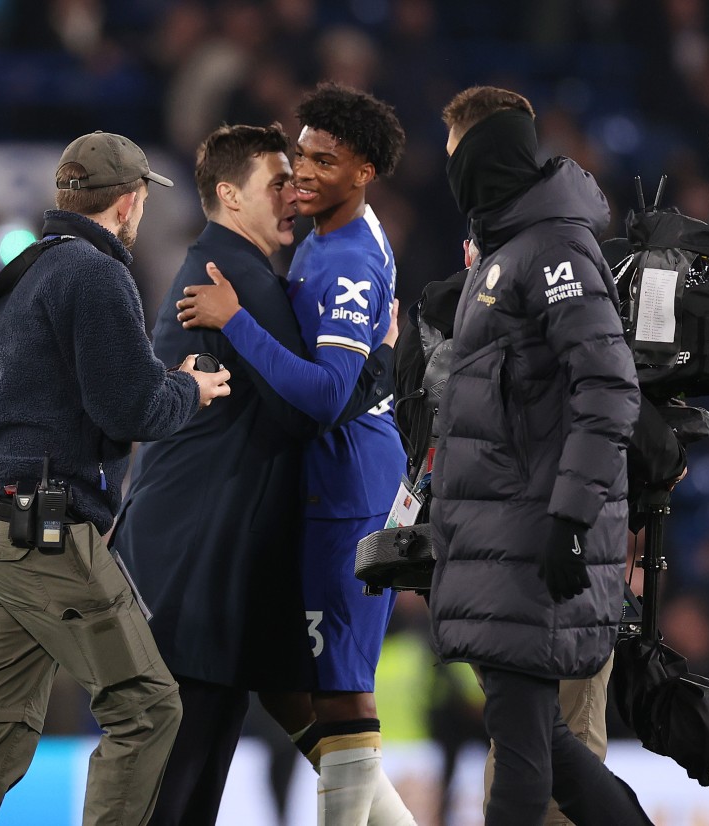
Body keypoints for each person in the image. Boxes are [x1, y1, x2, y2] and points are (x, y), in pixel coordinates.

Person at [0, 131, 231, 826]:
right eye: (145, 198)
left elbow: (60, 395)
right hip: (43, 534)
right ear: (128, 204)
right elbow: (131, 408)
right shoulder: (95, 273)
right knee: (149, 708)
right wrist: (189, 389)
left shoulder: (20, 271)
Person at [110, 122, 395, 826]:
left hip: (200, 569)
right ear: (232, 197)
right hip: (197, 573)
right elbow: (313, 410)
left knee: (190, 781)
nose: (293, 195)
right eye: (277, 183)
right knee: (176, 789)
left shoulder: (228, 269)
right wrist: (383, 358)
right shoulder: (236, 280)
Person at [177, 82, 416, 825]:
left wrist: (237, 322)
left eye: (321, 160)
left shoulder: (344, 261)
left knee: (340, 686)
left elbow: (320, 396)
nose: (303, 174)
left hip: (347, 487)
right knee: (285, 677)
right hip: (333, 482)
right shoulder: (326, 238)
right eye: (298, 158)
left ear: (363, 172)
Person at [427, 85, 653, 825]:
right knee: (546, 748)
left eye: (456, 153)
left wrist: (570, 518)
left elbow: (609, 384)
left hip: (531, 542)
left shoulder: (552, 248)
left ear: (485, 158)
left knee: (524, 758)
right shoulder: (506, 251)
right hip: (502, 542)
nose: (449, 170)